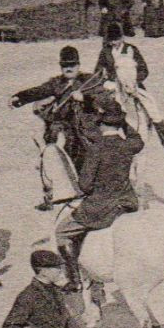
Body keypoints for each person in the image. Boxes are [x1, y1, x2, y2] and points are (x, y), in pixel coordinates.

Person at [54, 101, 144, 290]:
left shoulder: (96, 148)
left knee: (61, 232)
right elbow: (138, 139)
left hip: (101, 207)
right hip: (127, 203)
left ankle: (75, 279)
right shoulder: (128, 145)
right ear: (119, 124)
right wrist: (123, 121)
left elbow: (85, 186)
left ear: (101, 124)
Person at [10, 46, 101, 207]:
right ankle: (52, 192)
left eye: (72, 64)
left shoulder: (90, 80)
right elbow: (39, 91)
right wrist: (20, 97)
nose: (69, 68)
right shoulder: (56, 83)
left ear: (78, 65)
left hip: (87, 126)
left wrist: (84, 99)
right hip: (63, 126)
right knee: (51, 148)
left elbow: (103, 100)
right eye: (65, 65)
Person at [95, 23, 164, 151]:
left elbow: (144, 69)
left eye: (116, 39)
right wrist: (106, 80)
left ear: (122, 37)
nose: (114, 43)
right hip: (114, 85)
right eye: (112, 40)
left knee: (151, 107)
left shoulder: (131, 49)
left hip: (133, 84)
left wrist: (135, 80)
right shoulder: (105, 51)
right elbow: (98, 71)